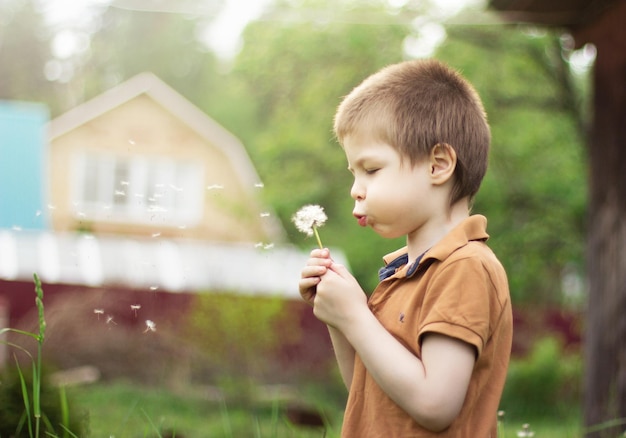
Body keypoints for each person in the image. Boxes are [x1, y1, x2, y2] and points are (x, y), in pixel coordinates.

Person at [299, 59, 513, 437]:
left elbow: (435, 405)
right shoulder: (405, 271)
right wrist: (338, 316)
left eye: (372, 169)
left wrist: (355, 317)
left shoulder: (465, 267)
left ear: (438, 165)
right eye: (354, 173)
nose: (356, 189)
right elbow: (368, 394)